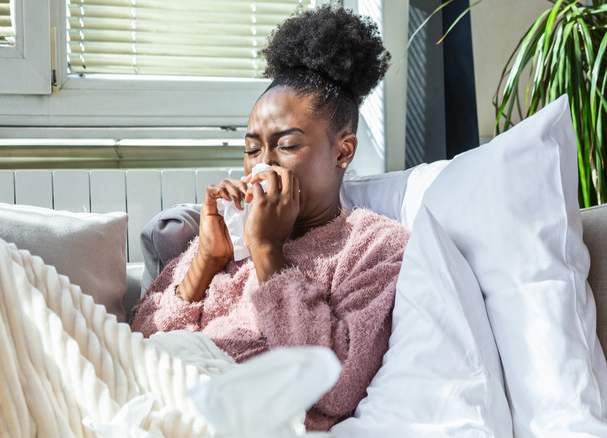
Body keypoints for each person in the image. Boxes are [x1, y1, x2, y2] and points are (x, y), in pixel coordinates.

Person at [130, 5, 410, 432]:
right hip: (157, 384)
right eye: (252, 149)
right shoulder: (228, 232)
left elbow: (336, 387)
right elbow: (139, 341)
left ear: (342, 151)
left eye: (287, 145)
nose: (263, 166)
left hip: (232, 412)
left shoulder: (374, 245)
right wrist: (205, 262)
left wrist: (268, 253)